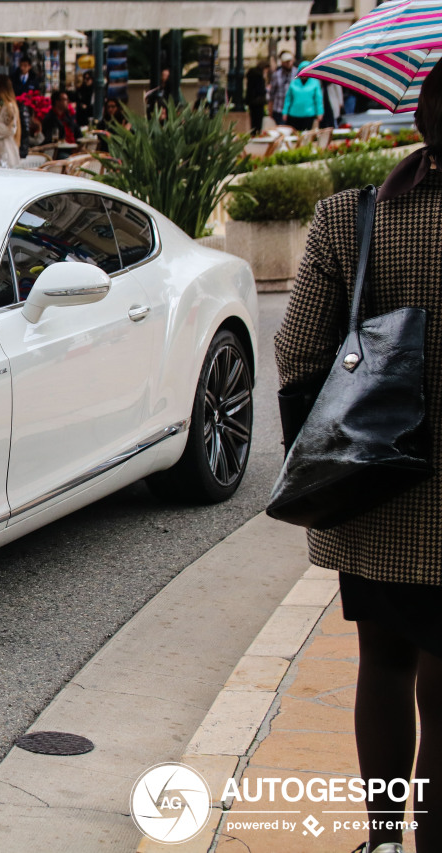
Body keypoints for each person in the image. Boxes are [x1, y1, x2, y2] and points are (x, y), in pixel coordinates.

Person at [274, 61, 442, 853]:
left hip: (374, 488)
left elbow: (298, 346)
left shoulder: (353, 217)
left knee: (384, 662)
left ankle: (380, 840)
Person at [282, 61, 323, 131]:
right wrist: (285, 112)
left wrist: (320, 112)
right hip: (294, 115)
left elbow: (318, 99)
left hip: (309, 115)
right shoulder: (293, 83)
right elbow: (288, 99)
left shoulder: (315, 83)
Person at [268, 52, 297, 126]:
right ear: (282, 63)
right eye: (286, 62)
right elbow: (272, 93)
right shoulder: (277, 75)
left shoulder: (296, 73)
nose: (288, 63)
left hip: (293, 109)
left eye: (290, 61)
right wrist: (270, 110)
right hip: (279, 109)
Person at [245, 60, 269, 135]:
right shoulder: (259, 76)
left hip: (251, 101)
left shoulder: (251, 75)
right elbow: (261, 90)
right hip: (259, 101)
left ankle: (253, 134)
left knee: (253, 119)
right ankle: (257, 133)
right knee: (258, 120)